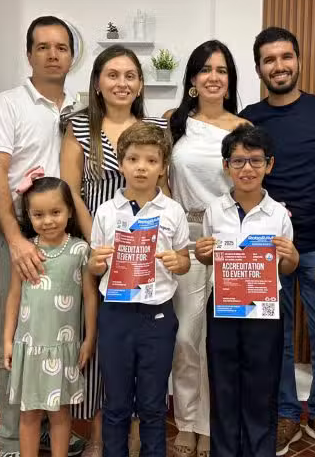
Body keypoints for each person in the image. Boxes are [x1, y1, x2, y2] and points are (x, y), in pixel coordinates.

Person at [239, 27, 315, 454]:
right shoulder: (249, 118)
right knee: (277, 339)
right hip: (267, 251)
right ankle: (286, 414)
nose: (279, 66)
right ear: (259, 69)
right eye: (269, 60)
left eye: (285, 57)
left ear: (298, 61)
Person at [0, 15, 85, 457]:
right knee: (20, 336)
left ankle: (48, 427)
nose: (52, 55)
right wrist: (16, 240)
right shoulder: (8, 104)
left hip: (69, 240)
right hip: (21, 235)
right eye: (43, 47)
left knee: (59, 334)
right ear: (29, 54)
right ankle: (12, 437)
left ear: (72, 56)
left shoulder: (82, 108)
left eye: (61, 47)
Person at [60, 45, 168, 457]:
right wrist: (99, 241)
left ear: (140, 84)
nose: (121, 83)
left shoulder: (156, 126)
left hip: (144, 249)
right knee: (103, 339)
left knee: (140, 345)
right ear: (98, 82)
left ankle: (136, 435)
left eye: (130, 76)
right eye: (112, 75)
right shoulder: (79, 125)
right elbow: (70, 188)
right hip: (97, 242)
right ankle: (100, 436)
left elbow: (163, 186)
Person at [87, 122, 191, 457]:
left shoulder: (173, 211)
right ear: (121, 164)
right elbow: (94, 265)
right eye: (133, 159)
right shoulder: (106, 211)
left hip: (157, 315)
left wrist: (178, 261)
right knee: (116, 402)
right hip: (115, 314)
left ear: (163, 167)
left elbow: (185, 261)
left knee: (152, 403)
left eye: (151, 160)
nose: (141, 167)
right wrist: (96, 263)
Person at [165, 40, 248, 457]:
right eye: (205, 69)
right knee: (185, 337)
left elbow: (248, 184)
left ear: (230, 80)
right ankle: (185, 421)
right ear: (193, 79)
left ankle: (209, 425)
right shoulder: (174, 122)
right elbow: (160, 179)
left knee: (219, 340)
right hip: (185, 236)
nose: (213, 77)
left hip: (228, 240)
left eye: (222, 70)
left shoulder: (243, 128)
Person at [195, 125, 299, 457]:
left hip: (264, 310)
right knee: (223, 385)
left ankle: (259, 450)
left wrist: (291, 257)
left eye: (255, 160)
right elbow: (208, 258)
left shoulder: (279, 213)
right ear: (226, 166)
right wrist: (202, 253)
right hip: (223, 307)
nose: (247, 169)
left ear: (269, 164)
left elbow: (287, 267)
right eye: (238, 161)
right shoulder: (214, 210)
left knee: (262, 388)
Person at [4, 177, 95, 457]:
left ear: (69, 211)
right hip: (29, 347)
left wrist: (89, 338)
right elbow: (14, 296)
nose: (47, 221)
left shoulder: (79, 250)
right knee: (29, 413)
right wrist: (7, 341)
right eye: (38, 214)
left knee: (60, 413)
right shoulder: (25, 252)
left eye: (55, 212)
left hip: (63, 348)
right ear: (28, 216)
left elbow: (90, 297)